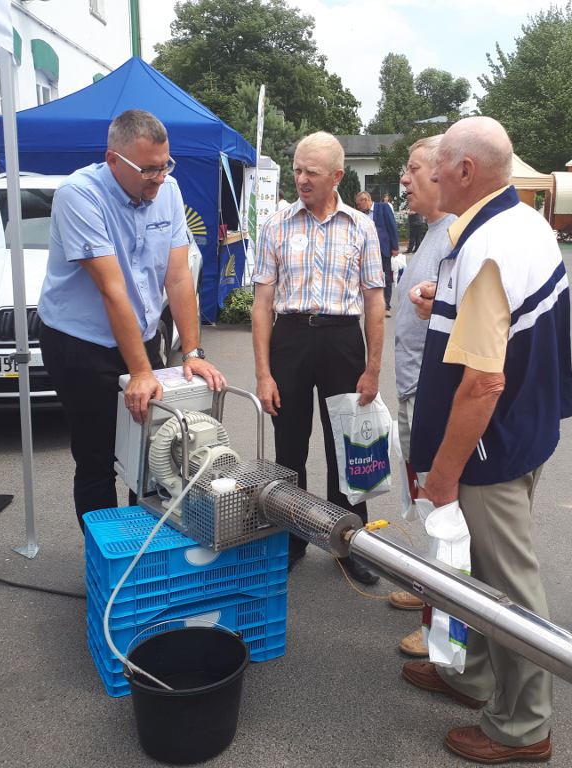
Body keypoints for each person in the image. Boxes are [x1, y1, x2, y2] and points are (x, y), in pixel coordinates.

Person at [400, 116, 572, 764]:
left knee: (508, 586)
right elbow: (501, 326)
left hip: (489, 448)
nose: (430, 174)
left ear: (465, 171)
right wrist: (436, 306)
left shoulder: (486, 244)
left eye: (437, 165)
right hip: (522, 433)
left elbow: (482, 382)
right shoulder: (518, 223)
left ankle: (525, 725)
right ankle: (472, 676)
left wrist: (444, 471)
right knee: (474, 574)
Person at [39, 109, 225, 527]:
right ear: (113, 160)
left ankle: (143, 553)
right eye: (148, 170)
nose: (159, 178)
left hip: (140, 335)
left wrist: (192, 352)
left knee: (152, 450)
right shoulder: (79, 195)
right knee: (99, 455)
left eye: (165, 166)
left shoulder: (169, 190)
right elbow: (112, 288)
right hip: (80, 342)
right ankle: (106, 563)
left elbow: (178, 278)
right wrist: (140, 372)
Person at [252, 132, 385, 585]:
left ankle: (350, 543)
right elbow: (261, 303)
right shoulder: (276, 224)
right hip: (289, 339)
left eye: (311, 171)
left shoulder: (361, 226)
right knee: (288, 446)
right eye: (296, 169)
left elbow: (373, 302)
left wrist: (372, 369)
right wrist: (264, 373)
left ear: (337, 176)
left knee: (346, 448)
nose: (301, 179)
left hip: (342, 341)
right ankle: (291, 537)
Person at [386, 135, 457, 659]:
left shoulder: (456, 237)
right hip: (414, 387)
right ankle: (429, 585)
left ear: (443, 172)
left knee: (443, 501)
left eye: (413, 170)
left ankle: (445, 617)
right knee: (425, 497)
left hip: (436, 393)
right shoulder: (431, 233)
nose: (405, 180)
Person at [354, 190, 399, 316]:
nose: (358, 207)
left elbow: (392, 226)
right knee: (370, 278)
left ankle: (386, 307)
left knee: (387, 278)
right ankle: (373, 306)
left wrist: (395, 247)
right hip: (368, 252)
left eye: (359, 204)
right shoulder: (361, 214)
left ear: (365, 200)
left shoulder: (383, 208)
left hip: (383, 249)